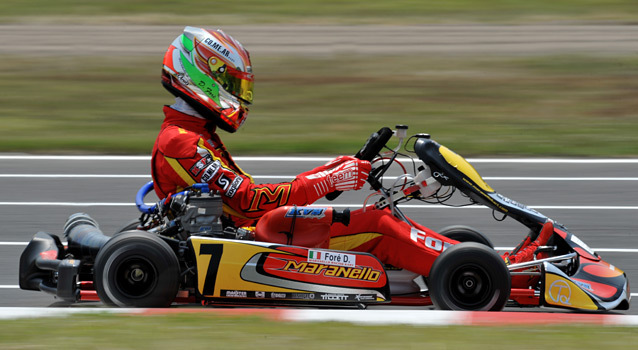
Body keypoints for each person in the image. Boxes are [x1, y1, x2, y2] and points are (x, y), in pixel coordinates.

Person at [152, 27, 545, 278]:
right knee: (378, 225)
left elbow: (241, 197)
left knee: (381, 215)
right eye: (232, 83)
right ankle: (494, 272)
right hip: (253, 238)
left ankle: (465, 257)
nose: (239, 96)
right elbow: (248, 202)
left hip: (252, 231)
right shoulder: (181, 142)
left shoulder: (194, 134)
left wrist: (331, 170)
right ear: (201, 75)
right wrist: (327, 180)